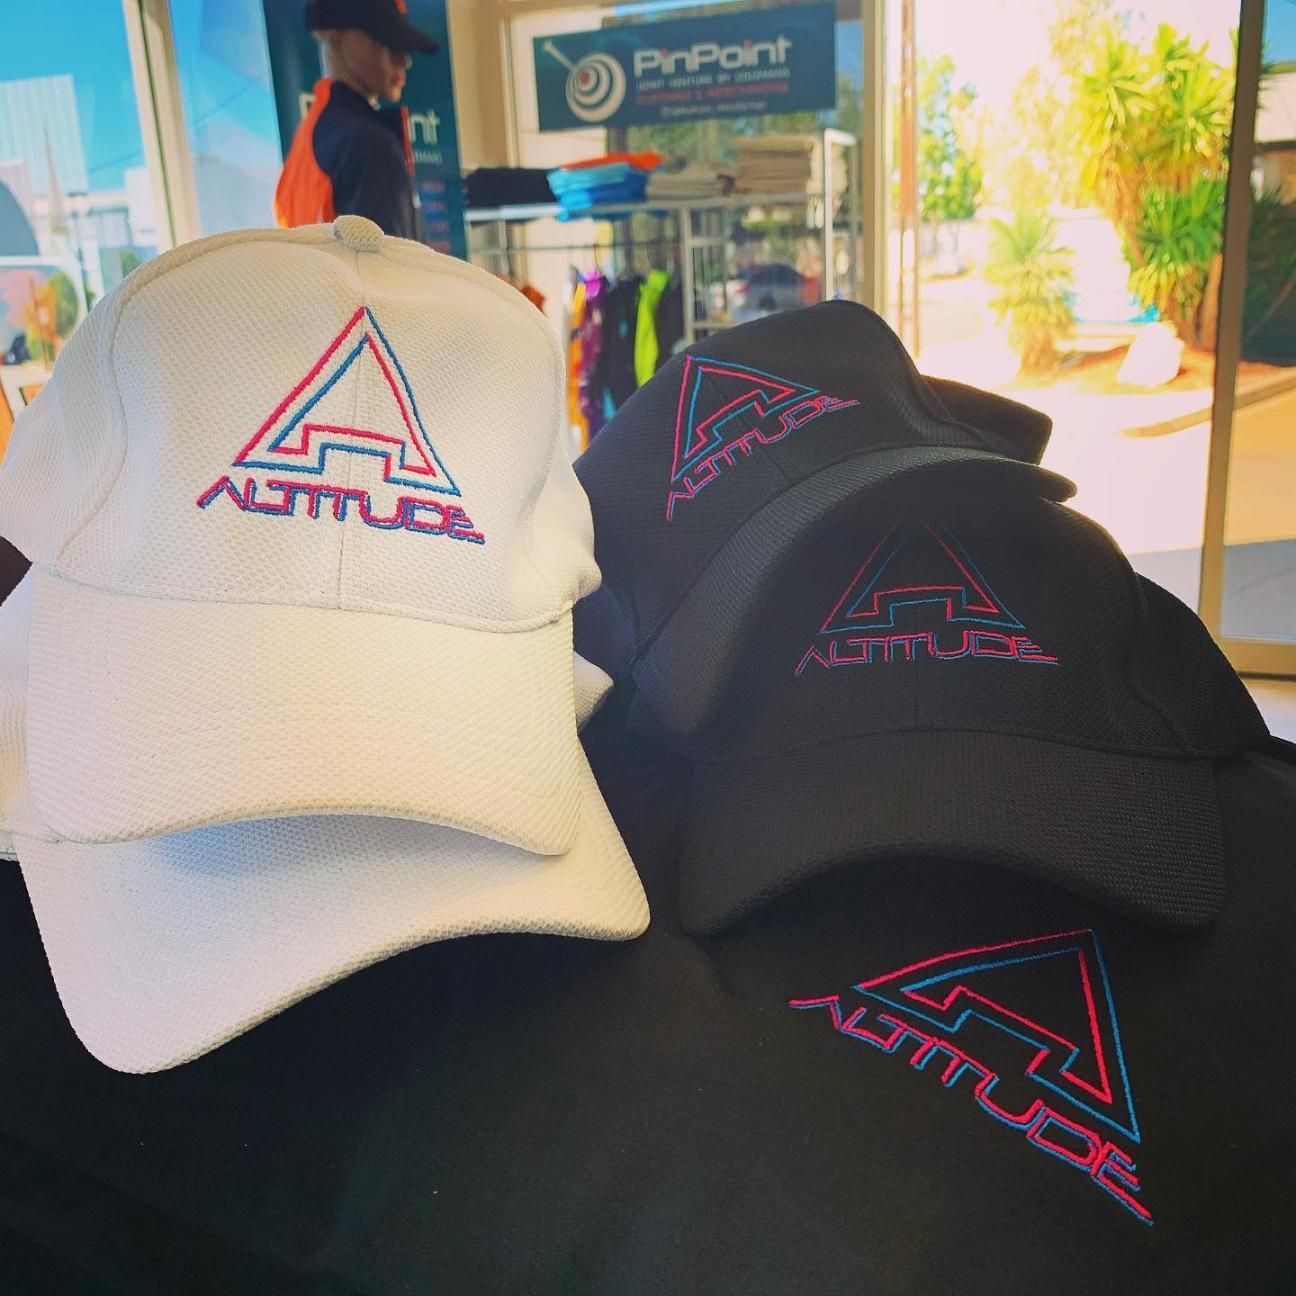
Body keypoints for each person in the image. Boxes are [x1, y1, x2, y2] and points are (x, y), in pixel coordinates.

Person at [274, 0, 439, 240]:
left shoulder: (311, 135)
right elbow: (389, 273)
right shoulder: (368, 146)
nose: (404, 60)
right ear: (335, 38)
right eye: (386, 42)